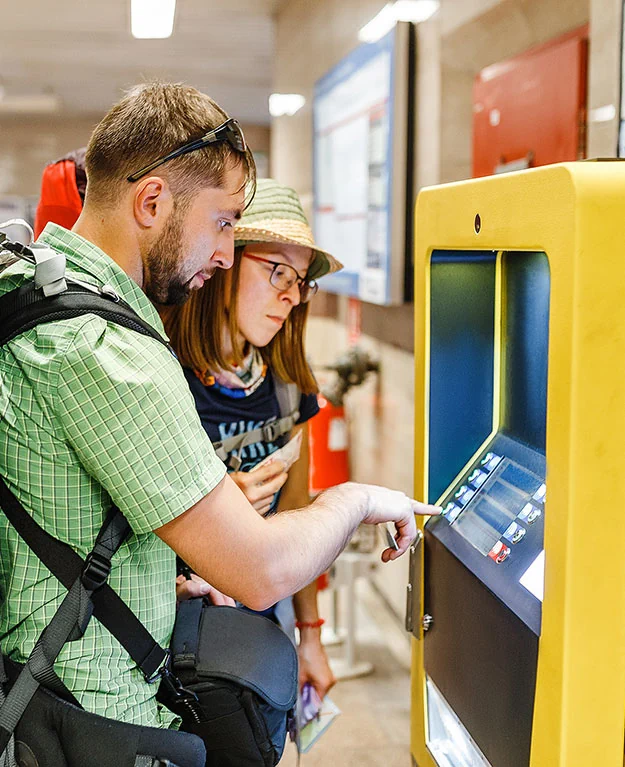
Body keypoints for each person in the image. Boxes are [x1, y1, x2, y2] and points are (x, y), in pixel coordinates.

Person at [0, 81, 439, 733]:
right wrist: (355, 500)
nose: (226, 253)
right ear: (151, 201)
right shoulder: (112, 351)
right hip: (94, 715)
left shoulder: (33, 283)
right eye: (225, 221)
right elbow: (261, 570)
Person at [161, 178, 344, 700]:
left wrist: (310, 636)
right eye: (278, 271)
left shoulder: (286, 382)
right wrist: (219, 507)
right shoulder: (162, 372)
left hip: (258, 631)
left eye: (302, 282)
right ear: (225, 261)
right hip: (171, 632)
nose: (291, 295)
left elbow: (297, 516)